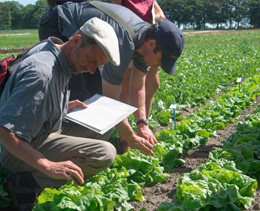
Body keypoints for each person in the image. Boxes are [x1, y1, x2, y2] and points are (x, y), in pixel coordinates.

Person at [0, 17, 120, 210]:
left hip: (43, 130)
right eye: (91, 61)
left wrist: (62, 106)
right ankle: (25, 183)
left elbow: (34, 103)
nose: (91, 70)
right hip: (16, 150)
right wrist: (46, 165)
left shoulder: (58, 55)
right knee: (105, 153)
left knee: (102, 129)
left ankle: (37, 176)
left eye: (96, 65)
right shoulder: (42, 73)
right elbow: (5, 131)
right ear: (76, 40)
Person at [38, 1, 185, 156]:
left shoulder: (144, 41)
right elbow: (110, 102)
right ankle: (51, 151)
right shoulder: (124, 43)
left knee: (93, 99)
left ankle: (79, 149)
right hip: (58, 23)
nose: (161, 66)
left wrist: (142, 124)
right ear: (152, 44)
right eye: (162, 61)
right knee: (77, 94)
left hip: (87, 38)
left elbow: (137, 87)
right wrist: (130, 136)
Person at [110, 0, 166, 149]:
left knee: (152, 84)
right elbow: (115, 6)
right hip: (129, 35)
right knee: (127, 84)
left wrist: (160, 19)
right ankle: (125, 136)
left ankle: (143, 126)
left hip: (150, 34)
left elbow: (153, 5)